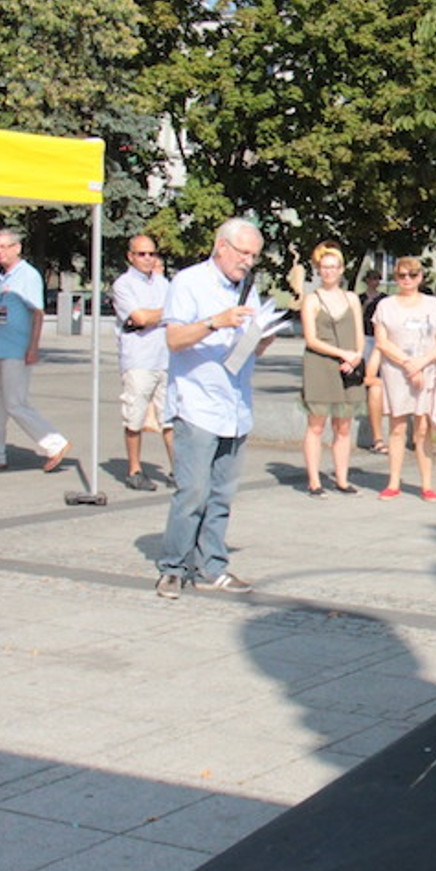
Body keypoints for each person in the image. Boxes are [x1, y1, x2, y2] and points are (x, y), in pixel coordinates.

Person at [155, 218, 276, 599]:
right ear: (221, 246)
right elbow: (174, 339)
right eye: (243, 253)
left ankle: (213, 564)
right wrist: (214, 322)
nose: (248, 262)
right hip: (197, 403)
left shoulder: (248, 288)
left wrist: (263, 337)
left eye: (254, 256)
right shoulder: (188, 282)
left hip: (236, 405)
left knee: (222, 493)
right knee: (193, 491)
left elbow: (250, 346)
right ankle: (173, 567)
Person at [0, 228, 70, 472]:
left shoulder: (27, 275)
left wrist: (33, 348)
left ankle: (54, 443)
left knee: (15, 402)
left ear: (17, 248)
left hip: (17, 349)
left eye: (4, 247)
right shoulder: (2, 278)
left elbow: (37, 313)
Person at [372, 255, 436, 501]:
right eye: (401, 276)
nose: (407, 280)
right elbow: (382, 342)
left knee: (423, 427)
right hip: (396, 371)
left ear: (420, 277)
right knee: (397, 426)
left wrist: (420, 364)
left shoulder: (432, 304)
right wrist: (407, 364)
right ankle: (393, 481)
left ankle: (426, 484)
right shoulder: (385, 306)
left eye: (412, 275)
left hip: (425, 370)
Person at [300, 242, 365, 496]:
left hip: (349, 367)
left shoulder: (351, 298)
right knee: (316, 424)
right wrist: (341, 354)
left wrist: (356, 356)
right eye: (324, 267)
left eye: (333, 267)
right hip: (321, 365)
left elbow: (359, 332)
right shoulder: (311, 300)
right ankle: (314, 480)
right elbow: (311, 339)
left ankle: (342, 478)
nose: (328, 272)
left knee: (344, 426)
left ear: (341, 269)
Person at [112, 233, 175, 490]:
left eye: (151, 254)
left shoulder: (163, 283)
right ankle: (135, 469)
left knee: (170, 417)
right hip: (138, 359)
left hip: (166, 357)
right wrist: (165, 312)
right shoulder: (123, 285)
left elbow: (175, 313)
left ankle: (177, 469)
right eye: (141, 254)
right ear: (131, 256)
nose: (148, 259)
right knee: (135, 416)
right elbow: (138, 318)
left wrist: (156, 315)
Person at [360, 269, 391, 454]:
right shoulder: (360, 298)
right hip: (365, 334)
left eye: (377, 278)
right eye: (372, 278)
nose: (375, 281)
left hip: (378, 336)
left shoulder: (385, 299)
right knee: (368, 364)